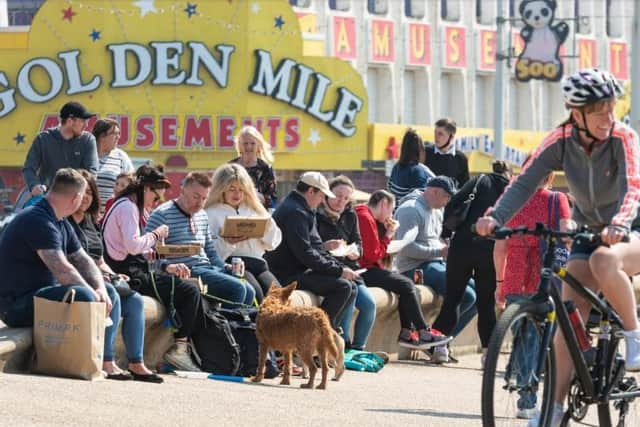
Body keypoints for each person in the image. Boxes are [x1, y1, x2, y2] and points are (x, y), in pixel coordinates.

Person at [475, 68, 640, 427]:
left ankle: (632, 334)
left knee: (603, 261)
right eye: (599, 111)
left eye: (611, 109)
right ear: (576, 112)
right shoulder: (560, 140)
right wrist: (494, 216)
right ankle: (554, 407)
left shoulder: (623, 136)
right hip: (587, 233)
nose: (607, 118)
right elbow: (524, 183)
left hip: (628, 231)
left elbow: (632, 188)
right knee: (567, 317)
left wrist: (619, 223)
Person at [0, 169, 121, 374]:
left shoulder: (60, 220)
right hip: (16, 305)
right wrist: (92, 294)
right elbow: (62, 269)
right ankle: (78, 362)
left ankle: (105, 361)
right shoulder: (37, 219)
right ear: (76, 197)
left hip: (43, 296)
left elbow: (82, 259)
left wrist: (99, 287)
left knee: (110, 292)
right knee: (84, 294)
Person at [102, 164, 202, 372]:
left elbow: (139, 250)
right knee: (190, 291)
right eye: (156, 198)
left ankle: (177, 349)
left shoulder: (128, 205)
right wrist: (157, 234)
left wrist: (167, 266)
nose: (156, 203)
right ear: (146, 189)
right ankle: (179, 351)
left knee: (187, 289)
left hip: (133, 268)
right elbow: (134, 245)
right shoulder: (128, 207)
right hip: (128, 274)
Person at [492, 167, 571, 419]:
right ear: (549, 176)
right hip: (543, 276)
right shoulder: (557, 199)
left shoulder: (511, 198)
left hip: (514, 275)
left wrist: (499, 281)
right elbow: (567, 235)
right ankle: (528, 400)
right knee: (537, 340)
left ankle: (523, 388)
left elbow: (499, 248)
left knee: (523, 337)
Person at [70, 170, 162, 382]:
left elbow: (100, 259)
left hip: (100, 276)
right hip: (79, 279)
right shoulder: (65, 222)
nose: (85, 198)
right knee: (112, 294)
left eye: (90, 193)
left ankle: (136, 363)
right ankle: (107, 361)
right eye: (81, 192)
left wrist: (114, 274)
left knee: (135, 300)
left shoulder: (91, 222)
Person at [431, 161, 512, 362]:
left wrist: (447, 232)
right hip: (491, 250)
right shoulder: (511, 190)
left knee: (452, 299)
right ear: (509, 174)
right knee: (486, 304)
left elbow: (453, 203)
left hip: (462, 246)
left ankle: (439, 347)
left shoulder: (479, 181)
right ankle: (487, 354)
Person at [355, 189, 451, 350]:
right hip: (363, 270)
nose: (391, 215)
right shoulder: (365, 216)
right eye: (391, 210)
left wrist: (387, 235)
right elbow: (373, 254)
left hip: (367, 267)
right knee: (406, 285)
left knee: (404, 285)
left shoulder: (368, 216)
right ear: (383, 203)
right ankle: (423, 332)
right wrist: (389, 234)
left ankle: (407, 332)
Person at [394, 176, 477, 363]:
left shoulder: (436, 210)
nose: (448, 201)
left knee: (478, 294)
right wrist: (439, 251)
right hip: (414, 267)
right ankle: (435, 341)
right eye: (446, 197)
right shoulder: (410, 210)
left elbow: (435, 239)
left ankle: (439, 342)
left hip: (435, 263)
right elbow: (404, 247)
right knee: (464, 294)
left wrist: (448, 248)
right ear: (433, 192)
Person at [146, 172, 256, 308]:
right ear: (182, 191)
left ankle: (235, 327)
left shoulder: (202, 215)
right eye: (196, 197)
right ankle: (223, 327)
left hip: (207, 268)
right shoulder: (162, 214)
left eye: (204, 198)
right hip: (186, 271)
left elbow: (210, 251)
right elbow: (146, 251)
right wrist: (167, 266)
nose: (200, 203)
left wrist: (226, 267)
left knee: (250, 291)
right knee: (238, 289)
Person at [264, 172, 357, 331]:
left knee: (350, 287)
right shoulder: (296, 212)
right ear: (311, 191)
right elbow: (306, 253)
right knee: (343, 287)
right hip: (286, 274)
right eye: (321, 196)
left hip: (297, 269)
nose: (322, 200)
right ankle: (317, 331)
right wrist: (338, 270)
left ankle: (328, 327)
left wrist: (339, 268)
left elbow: (317, 247)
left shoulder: (302, 208)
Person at [204, 163, 282, 303]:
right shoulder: (210, 213)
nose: (237, 194)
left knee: (280, 296)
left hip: (259, 264)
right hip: (232, 264)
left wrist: (265, 227)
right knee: (256, 296)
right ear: (221, 189)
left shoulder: (255, 209)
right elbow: (208, 253)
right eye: (232, 189)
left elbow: (273, 243)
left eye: (241, 189)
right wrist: (227, 242)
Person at [316, 175, 376, 351]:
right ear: (327, 194)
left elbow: (358, 243)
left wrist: (356, 252)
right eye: (337, 196)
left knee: (369, 304)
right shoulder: (316, 214)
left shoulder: (351, 215)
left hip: (350, 267)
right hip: (328, 268)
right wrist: (326, 246)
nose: (341, 201)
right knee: (349, 293)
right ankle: (343, 344)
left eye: (345, 198)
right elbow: (311, 247)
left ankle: (358, 348)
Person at [20, 102, 99, 207]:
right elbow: (29, 168)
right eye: (83, 121)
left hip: (76, 202)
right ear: (70, 121)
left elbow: (92, 171)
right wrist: (34, 185)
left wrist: (79, 193)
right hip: (48, 201)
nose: (86, 125)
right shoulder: (43, 139)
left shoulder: (88, 140)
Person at [229, 126, 277, 209]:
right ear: (239, 145)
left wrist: (254, 195)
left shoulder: (266, 169)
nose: (249, 146)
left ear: (258, 145)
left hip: (256, 215)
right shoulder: (230, 167)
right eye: (245, 143)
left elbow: (272, 200)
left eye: (252, 143)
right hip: (232, 212)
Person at [94, 118, 134, 211]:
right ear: (102, 136)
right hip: (87, 217)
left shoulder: (121, 156)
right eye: (114, 134)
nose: (118, 137)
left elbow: (132, 184)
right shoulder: (86, 155)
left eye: (119, 133)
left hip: (112, 215)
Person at [388, 128, 434, 202]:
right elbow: (420, 200)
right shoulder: (418, 171)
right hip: (412, 212)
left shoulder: (396, 167)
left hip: (397, 212)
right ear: (420, 149)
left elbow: (390, 189)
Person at [424, 118, 470, 187]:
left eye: (440, 134)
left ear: (451, 137)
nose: (436, 137)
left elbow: (464, 187)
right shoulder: (425, 152)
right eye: (435, 132)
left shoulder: (461, 158)